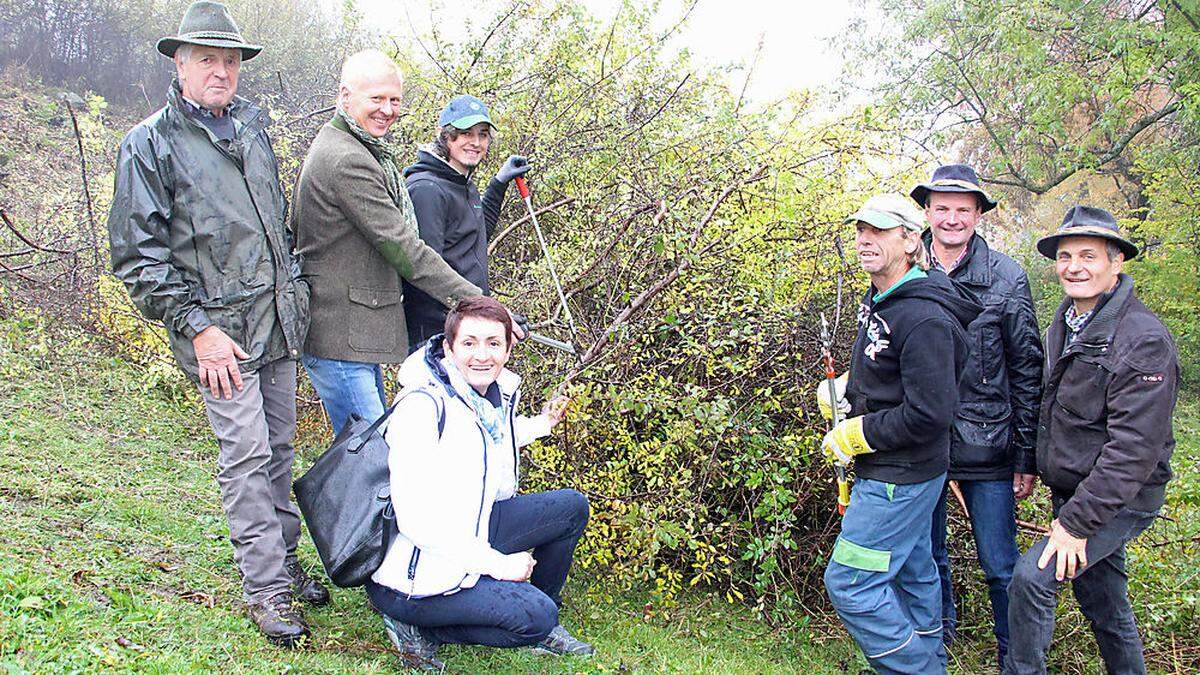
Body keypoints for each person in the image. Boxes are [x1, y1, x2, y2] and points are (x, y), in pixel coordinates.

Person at [106, 0, 326, 646]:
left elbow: (276, 230)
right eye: (207, 58)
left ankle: (284, 557)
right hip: (217, 337)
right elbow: (137, 259)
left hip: (276, 325)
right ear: (180, 63)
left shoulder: (253, 131)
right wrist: (196, 327)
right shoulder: (149, 145)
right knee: (246, 454)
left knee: (280, 450)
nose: (220, 71)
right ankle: (265, 589)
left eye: (229, 60)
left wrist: (296, 299)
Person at [366, 297, 592, 670]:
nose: (481, 355)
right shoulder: (423, 407)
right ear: (449, 347)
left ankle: (539, 611)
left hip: (467, 529)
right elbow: (415, 521)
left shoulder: (484, 396)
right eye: (469, 343)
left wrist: (542, 425)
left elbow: (486, 439)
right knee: (534, 617)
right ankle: (417, 624)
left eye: (493, 343)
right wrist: (497, 565)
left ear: (508, 348)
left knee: (571, 507)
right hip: (413, 575)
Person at [292, 50, 503, 436]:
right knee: (373, 464)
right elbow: (408, 250)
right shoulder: (347, 160)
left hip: (354, 336)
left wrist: (498, 186)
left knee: (374, 454)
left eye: (394, 100)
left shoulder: (358, 149)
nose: (387, 110)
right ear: (345, 96)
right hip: (339, 335)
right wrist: (481, 308)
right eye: (376, 99)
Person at [1004, 207, 1178, 675]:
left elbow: (1132, 453)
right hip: (1078, 491)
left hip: (1120, 498)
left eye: (1088, 256)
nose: (1074, 267)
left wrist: (1075, 525)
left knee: (1033, 578)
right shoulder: (1064, 323)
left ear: (1116, 262)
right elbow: (1051, 408)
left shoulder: (1142, 341)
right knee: (1102, 600)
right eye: (1064, 256)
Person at [820, 194, 980, 674]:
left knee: (850, 582)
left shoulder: (924, 316)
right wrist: (848, 387)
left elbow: (930, 413)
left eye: (880, 231)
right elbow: (894, 370)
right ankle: (930, 657)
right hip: (903, 470)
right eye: (860, 230)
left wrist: (857, 433)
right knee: (913, 574)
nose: (865, 240)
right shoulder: (886, 298)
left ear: (911, 240)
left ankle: (919, 669)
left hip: (899, 476)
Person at [910, 164, 1044, 663]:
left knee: (1001, 565)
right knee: (925, 556)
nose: (951, 219)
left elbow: (1028, 368)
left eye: (962, 210)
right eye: (941, 208)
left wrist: (1025, 455)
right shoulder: (906, 267)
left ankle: (1017, 661)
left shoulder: (1007, 277)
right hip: (920, 439)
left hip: (988, 443)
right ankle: (933, 649)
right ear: (927, 211)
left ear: (978, 215)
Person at [403, 95, 531, 346]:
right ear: (446, 136)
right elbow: (427, 274)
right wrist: (488, 314)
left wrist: (498, 184)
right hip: (437, 336)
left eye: (483, 134)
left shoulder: (459, 181)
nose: (476, 142)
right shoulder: (427, 189)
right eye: (465, 133)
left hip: (466, 328)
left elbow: (475, 235)